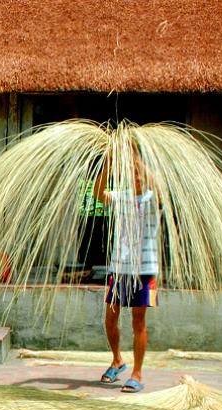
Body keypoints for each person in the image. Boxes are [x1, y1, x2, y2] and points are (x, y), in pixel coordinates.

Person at [92, 144, 159, 393]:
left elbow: (161, 190)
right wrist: (110, 161)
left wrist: (138, 158)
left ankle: (138, 373)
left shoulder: (153, 199)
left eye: (140, 174)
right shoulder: (122, 197)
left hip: (146, 270)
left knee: (138, 321)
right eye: (133, 174)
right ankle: (117, 360)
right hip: (119, 268)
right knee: (110, 319)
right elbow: (99, 193)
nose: (137, 177)